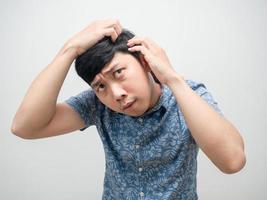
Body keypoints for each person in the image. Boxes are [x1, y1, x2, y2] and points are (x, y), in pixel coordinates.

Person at [11, 19, 246, 199]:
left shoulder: (188, 95)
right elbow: (25, 127)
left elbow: (233, 161)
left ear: (144, 61)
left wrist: (173, 79)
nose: (116, 94)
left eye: (119, 73)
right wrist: (68, 50)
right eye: (101, 86)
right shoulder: (98, 104)